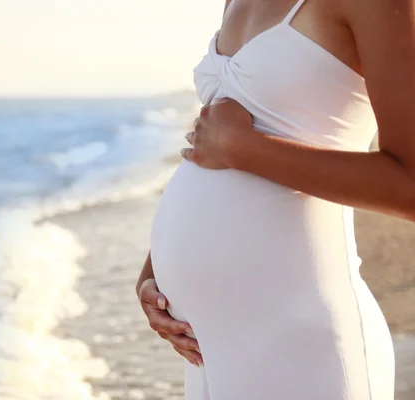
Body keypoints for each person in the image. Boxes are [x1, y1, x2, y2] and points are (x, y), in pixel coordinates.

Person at [136, 0, 415, 398]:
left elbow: (410, 184)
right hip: (207, 349)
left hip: (307, 344)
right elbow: (208, 144)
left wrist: (244, 148)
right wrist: (154, 275)